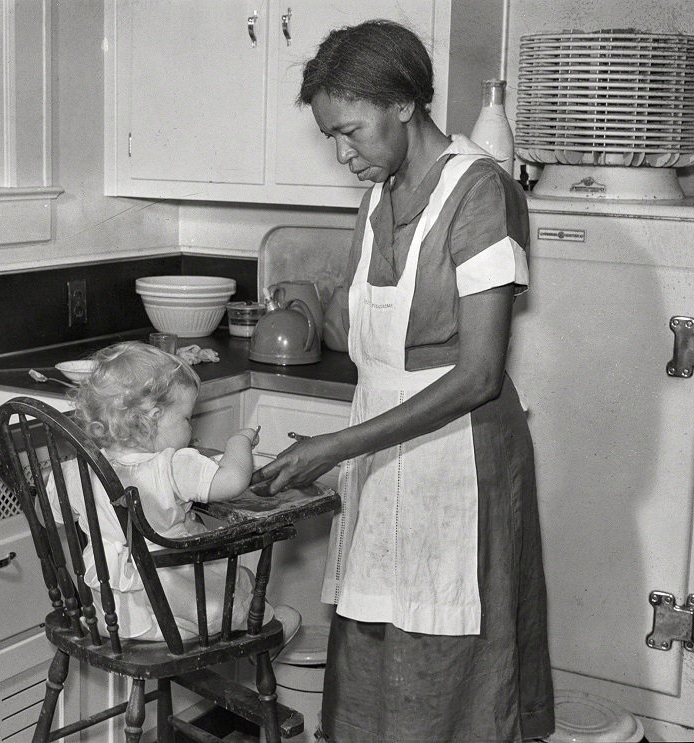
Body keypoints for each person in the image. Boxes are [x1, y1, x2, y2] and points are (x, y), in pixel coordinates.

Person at [250, 19, 555, 743]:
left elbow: (479, 374)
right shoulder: (377, 197)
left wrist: (337, 445)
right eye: (331, 134)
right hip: (385, 460)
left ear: (405, 105)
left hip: (461, 462)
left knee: (451, 663)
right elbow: (372, 342)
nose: (341, 152)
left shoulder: (482, 192)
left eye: (351, 130)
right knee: (375, 654)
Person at [60, 341, 300, 644]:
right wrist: (238, 441)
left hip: (115, 617)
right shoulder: (173, 466)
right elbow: (233, 481)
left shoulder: (77, 469)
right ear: (153, 417)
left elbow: (56, 510)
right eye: (187, 418)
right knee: (237, 584)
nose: (191, 427)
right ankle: (264, 625)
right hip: (180, 615)